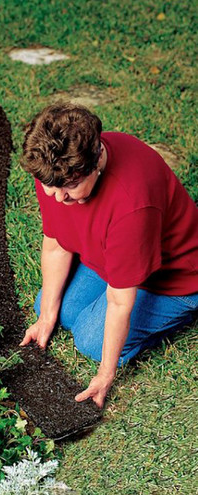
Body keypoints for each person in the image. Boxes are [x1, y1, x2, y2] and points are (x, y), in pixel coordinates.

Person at [19, 102, 198, 408]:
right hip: (108, 256)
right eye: (51, 187)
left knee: (91, 340)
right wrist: (46, 317)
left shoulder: (132, 205)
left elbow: (119, 301)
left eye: (71, 187)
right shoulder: (54, 170)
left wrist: (105, 374)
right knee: (54, 309)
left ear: (96, 162)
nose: (59, 198)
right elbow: (56, 245)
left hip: (172, 279)